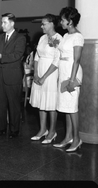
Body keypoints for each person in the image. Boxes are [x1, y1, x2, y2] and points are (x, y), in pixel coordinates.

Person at [39, 7, 84, 152]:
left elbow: (76, 60)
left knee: (73, 108)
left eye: (63, 20)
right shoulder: (65, 36)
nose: (61, 22)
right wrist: (52, 42)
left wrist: (72, 80)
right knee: (66, 108)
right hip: (63, 71)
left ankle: (76, 139)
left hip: (72, 72)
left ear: (70, 22)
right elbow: (59, 52)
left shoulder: (78, 37)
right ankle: (68, 138)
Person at [0, 13, 26, 139]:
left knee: (14, 104)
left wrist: (0, 56)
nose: (2, 25)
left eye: (4, 22)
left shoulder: (20, 38)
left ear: (12, 23)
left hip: (13, 76)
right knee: (0, 104)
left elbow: (17, 55)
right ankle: (1, 128)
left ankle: (14, 130)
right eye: (2, 22)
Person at [29, 14, 62, 144]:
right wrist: (36, 73)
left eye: (44, 24)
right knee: (41, 102)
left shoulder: (58, 38)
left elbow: (56, 59)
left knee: (50, 103)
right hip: (40, 71)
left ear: (52, 24)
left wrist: (44, 77)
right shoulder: (42, 38)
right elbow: (37, 56)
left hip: (50, 73)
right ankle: (43, 130)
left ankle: (52, 131)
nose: (41, 26)